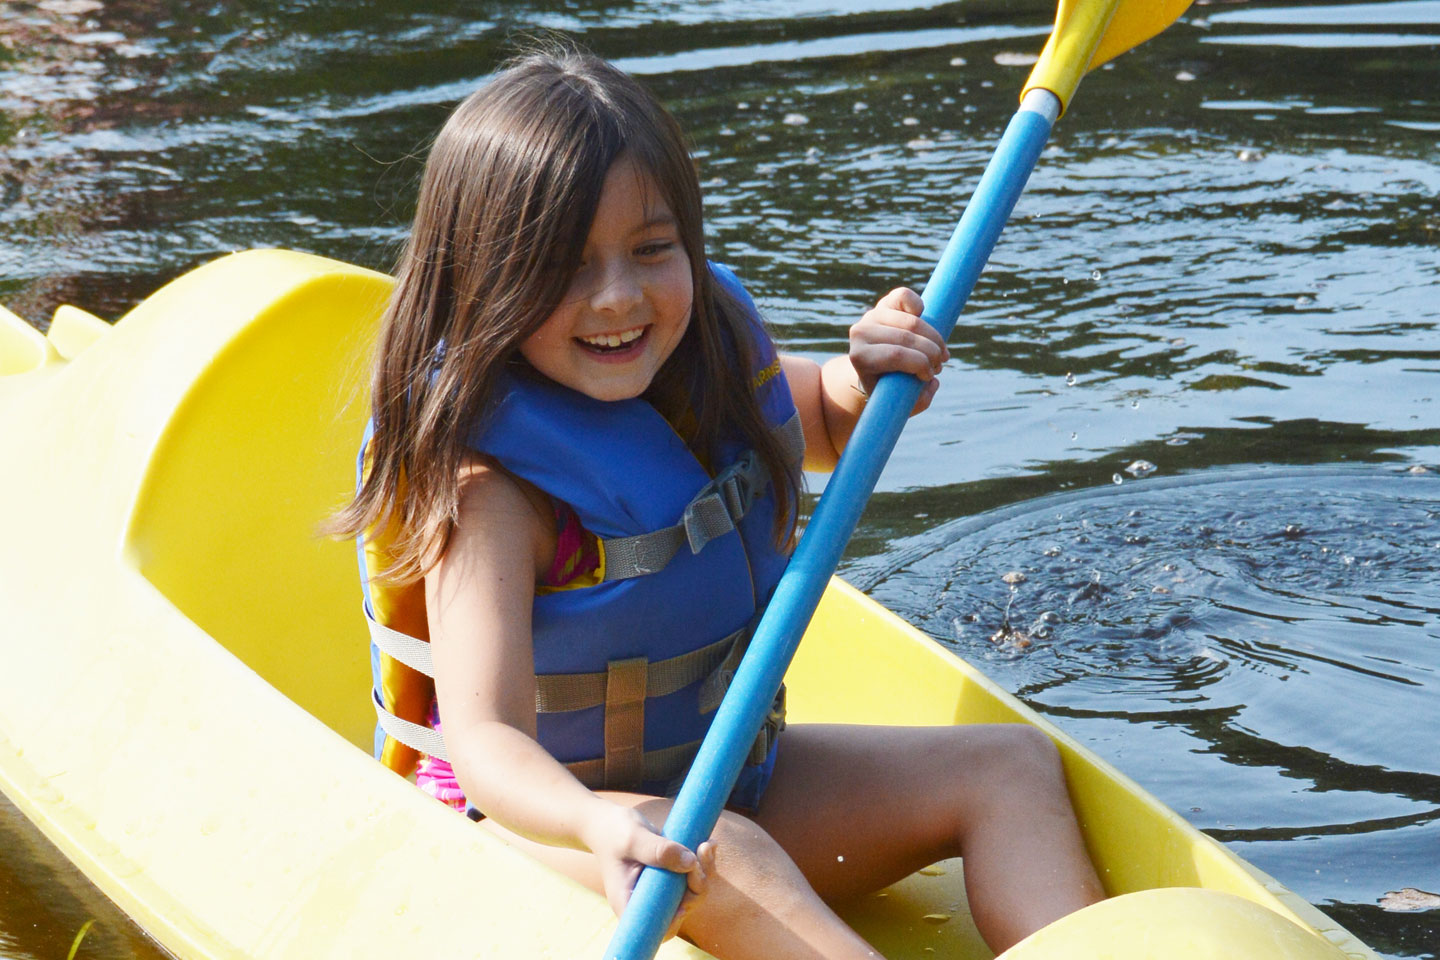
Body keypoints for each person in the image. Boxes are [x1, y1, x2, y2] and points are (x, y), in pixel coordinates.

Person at [334, 45, 1103, 960]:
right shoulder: (491, 489)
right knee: (717, 852)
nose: (618, 296)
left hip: (725, 779)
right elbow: (487, 740)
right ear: (484, 280)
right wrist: (595, 823)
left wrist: (866, 376)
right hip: (541, 830)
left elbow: (820, 419)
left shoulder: (702, 356)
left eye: (652, 250)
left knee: (1009, 765)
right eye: (565, 266)